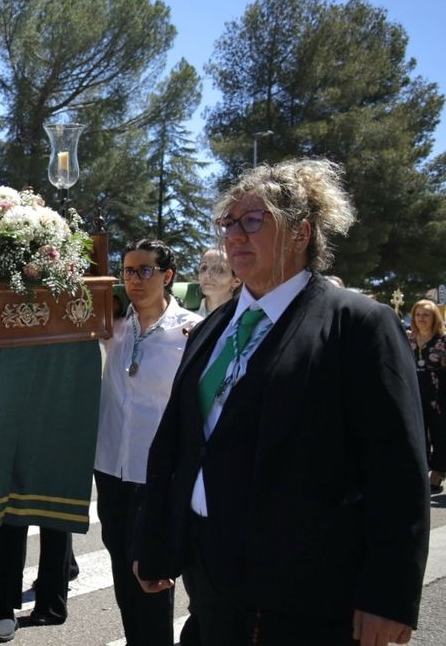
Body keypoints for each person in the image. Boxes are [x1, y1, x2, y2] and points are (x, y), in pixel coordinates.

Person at [133, 159, 429, 646]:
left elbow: (396, 469)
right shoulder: (211, 328)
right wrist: (155, 539)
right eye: (229, 222)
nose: (235, 235)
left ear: (301, 233)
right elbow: (178, 441)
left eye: (253, 221)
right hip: (210, 575)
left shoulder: (356, 325)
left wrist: (387, 596)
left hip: (305, 591)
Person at [92, 240, 200, 646]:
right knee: (122, 574)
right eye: (129, 271)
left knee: (153, 577)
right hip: (110, 468)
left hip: (157, 474)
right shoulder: (113, 325)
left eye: (145, 271)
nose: (134, 279)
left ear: (167, 275)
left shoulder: (190, 330)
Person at [408, 298, 446, 494]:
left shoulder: (443, 340)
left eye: (426, 315)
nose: (421, 318)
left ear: (434, 318)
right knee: (417, 435)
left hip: (438, 395)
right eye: (418, 314)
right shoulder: (408, 339)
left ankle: (437, 474)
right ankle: (420, 471)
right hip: (413, 393)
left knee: (440, 434)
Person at [195, 246, 239, 316]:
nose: (207, 275)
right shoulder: (185, 318)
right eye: (203, 268)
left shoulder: (242, 319)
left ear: (236, 281)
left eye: (218, 269)